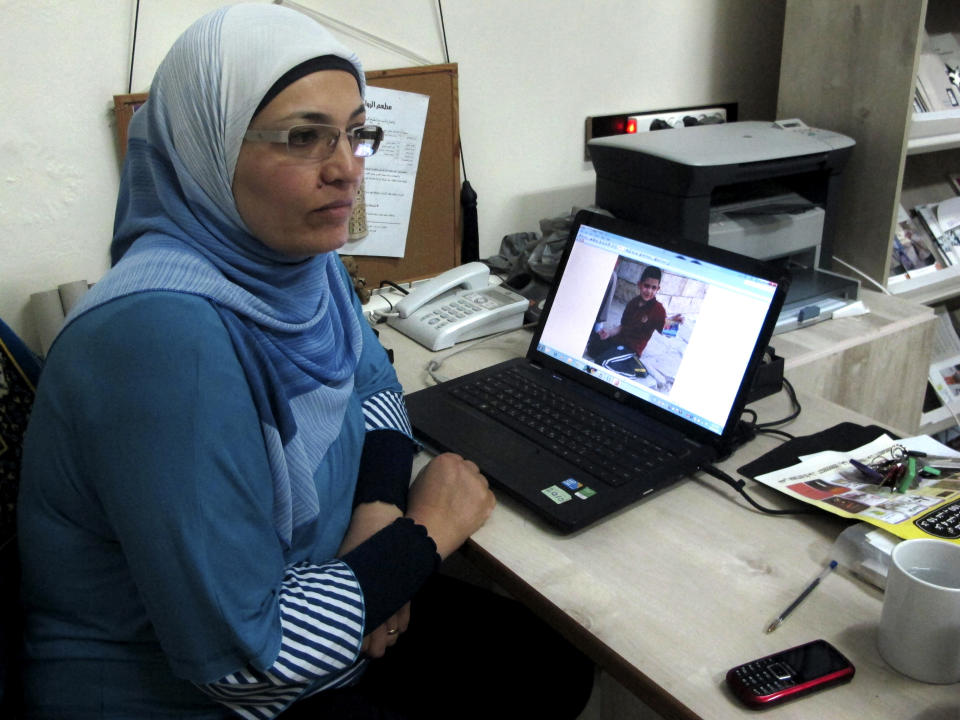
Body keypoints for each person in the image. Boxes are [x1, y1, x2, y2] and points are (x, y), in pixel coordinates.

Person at [16, 5, 592, 719]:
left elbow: (373, 381)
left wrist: (380, 511)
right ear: (207, 147)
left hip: (309, 589)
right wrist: (427, 534)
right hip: (186, 694)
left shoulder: (291, 260)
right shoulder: (163, 341)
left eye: (356, 133)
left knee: (551, 666)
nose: (346, 170)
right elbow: (246, 661)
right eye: (303, 137)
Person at [586, 265, 683, 364]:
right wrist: (609, 333)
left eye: (653, 288)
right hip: (618, 342)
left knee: (603, 361)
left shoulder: (658, 309)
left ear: (658, 289)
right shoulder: (632, 303)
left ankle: (636, 367)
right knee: (593, 346)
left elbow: (666, 331)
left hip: (631, 351)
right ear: (639, 284)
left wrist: (673, 323)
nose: (649, 291)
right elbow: (622, 326)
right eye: (646, 286)